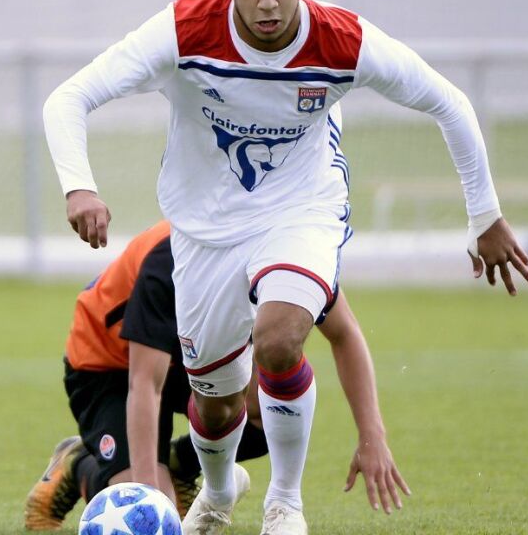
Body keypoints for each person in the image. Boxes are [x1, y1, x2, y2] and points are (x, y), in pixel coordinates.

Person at [43, 0, 528, 533]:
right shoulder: (183, 30)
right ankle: (218, 490)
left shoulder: (342, 40)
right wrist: (79, 185)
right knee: (215, 404)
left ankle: (285, 503)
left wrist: (484, 214)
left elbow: (448, 103)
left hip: (302, 212)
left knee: (278, 339)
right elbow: (68, 98)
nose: (268, 2)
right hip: (204, 233)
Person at [23, 220, 408, 530]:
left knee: (272, 412)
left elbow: (345, 334)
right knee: (144, 512)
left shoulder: (286, 248)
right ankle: (78, 465)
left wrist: (372, 436)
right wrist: (150, 498)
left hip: (190, 357)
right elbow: (144, 384)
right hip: (110, 365)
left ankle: (179, 464)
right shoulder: (170, 259)